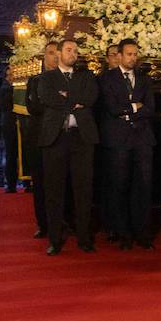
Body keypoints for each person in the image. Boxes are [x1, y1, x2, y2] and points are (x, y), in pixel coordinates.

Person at [38, 38, 99, 255]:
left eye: (75, 50)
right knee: (54, 190)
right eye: (68, 50)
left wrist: (66, 96)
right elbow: (47, 98)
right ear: (59, 54)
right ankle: (54, 239)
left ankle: (84, 237)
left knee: (83, 189)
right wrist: (75, 101)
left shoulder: (87, 76)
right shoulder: (47, 77)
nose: (73, 53)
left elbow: (91, 98)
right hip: (55, 139)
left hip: (81, 138)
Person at [97, 38, 156, 249]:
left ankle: (142, 233)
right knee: (119, 186)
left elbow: (150, 109)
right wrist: (134, 107)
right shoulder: (106, 78)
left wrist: (130, 109)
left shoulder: (144, 79)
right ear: (119, 56)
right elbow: (112, 107)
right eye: (129, 54)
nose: (132, 58)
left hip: (142, 139)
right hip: (118, 139)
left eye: (135, 54)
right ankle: (123, 233)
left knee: (143, 186)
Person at [22, 41, 60, 238]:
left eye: (57, 53)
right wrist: (58, 101)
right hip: (38, 137)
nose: (54, 57)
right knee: (41, 182)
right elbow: (33, 107)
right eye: (50, 53)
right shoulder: (35, 81)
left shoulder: (67, 79)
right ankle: (43, 223)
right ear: (44, 56)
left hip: (60, 138)